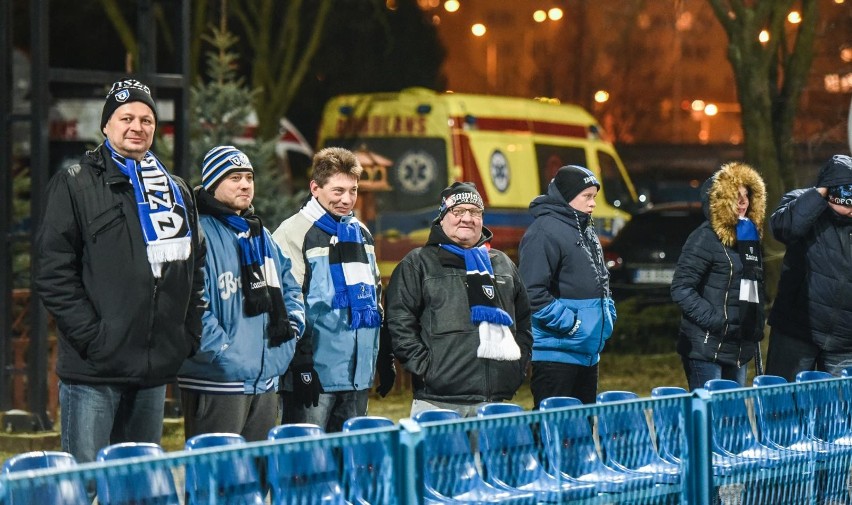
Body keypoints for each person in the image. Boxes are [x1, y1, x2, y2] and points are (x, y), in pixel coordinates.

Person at [33, 78, 206, 466]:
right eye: (126, 117)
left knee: (136, 485)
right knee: (87, 483)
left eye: (146, 119)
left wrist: (184, 335)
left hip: (152, 371)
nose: (137, 127)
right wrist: (95, 339)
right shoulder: (75, 183)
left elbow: (197, 269)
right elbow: (53, 272)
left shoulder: (176, 190)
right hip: (94, 372)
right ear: (107, 125)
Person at [177, 146, 306, 442]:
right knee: (215, 478)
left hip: (265, 379)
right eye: (235, 177)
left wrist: (292, 333)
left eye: (249, 177)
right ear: (212, 183)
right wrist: (222, 353)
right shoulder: (196, 234)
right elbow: (190, 304)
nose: (245, 184)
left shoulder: (261, 235)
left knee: (255, 480)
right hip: (217, 380)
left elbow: (290, 288)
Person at [386, 182, 532, 418]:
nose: (467, 218)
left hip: (495, 403)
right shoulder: (418, 263)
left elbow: (525, 321)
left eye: (474, 212)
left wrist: (517, 366)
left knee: (492, 458)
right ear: (442, 216)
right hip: (438, 403)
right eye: (458, 211)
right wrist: (426, 369)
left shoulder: (502, 264)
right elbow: (399, 322)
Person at [271, 147, 387, 432]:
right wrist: (300, 364)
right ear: (315, 188)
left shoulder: (361, 233)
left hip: (356, 375)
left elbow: (375, 296)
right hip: (314, 374)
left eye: (353, 190)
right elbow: (285, 304)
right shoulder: (292, 232)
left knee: (349, 466)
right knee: (307, 467)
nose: (347, 200)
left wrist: (382, 354)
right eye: (337, 191)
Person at [518, 165, 616, 407]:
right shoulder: (544, 231)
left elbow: (602, 282)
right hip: (556, 355)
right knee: (553, 433)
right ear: (567, 195)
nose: (593, 203)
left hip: (586, 354)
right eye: (587, 197)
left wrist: (608, 314)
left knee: (581, 432)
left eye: (594, 197)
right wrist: (572, 326)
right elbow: (531, 292)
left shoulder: (585, 229)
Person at [670, 162, 767, 390]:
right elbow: (681, 289)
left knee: (732, 419)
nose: (743, 202)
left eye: (746, 196)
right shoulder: (704, 238)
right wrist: (717, 322)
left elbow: (753, 287)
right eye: (736, 196)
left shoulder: (749, 238)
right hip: (706, 347)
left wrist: (753, 324)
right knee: (710, 419)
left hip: (738, 346)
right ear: (720, 201)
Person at [765, 154, 852, 380]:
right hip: (797, 330)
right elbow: (785, 228)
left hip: (844, 340)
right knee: (782, 403)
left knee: (837, 411)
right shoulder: (802, 201)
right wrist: (820, 193)